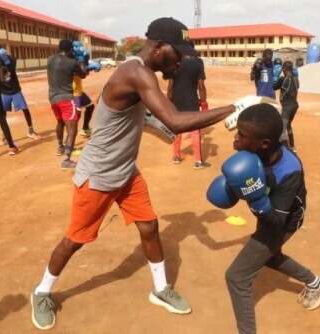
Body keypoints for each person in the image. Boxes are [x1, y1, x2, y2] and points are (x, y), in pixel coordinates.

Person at [30, 17, 262, 330]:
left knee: (150, 227)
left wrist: (150, 125)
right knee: (75, 239)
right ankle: (42, 291)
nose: (179, 60)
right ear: (159, 46)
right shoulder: (136, 72)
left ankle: (160, 288)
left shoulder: (140, 73)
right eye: (177, 52)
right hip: (98, 175)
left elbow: (139, 114)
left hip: (125, 172)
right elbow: (177, 121)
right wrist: (234, 107)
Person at [207, 103, 320, 334]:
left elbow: (276, 225)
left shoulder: (289, 171)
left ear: (264, 143)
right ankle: (317, 284)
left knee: (237, 277)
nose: (235, 140)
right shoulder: (258, 151)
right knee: (269, 257)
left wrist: (255, 198)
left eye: (242, 136)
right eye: (237, 132)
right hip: (270, 209)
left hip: (284, 220)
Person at [167, 45, 210, 169]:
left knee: (178, 131)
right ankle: (198, 161)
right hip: (192, 102)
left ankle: (176, 156)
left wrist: (168, 103)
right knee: (195, 132)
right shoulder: (197, 64)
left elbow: (170, 87)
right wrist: (204, 104)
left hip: (176, 103)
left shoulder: (174, 64)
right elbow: (201, 86)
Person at [47, 39, 87, 170]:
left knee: (60, 122)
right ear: (70, 50)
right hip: (66, 98)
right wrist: (81, 58)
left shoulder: (50, 59)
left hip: (53, 98)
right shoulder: (72, 63)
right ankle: (67, 160)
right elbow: (83, 74)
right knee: (72, 128)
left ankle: (60, 147)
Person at [0, 44, 42, 144]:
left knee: (25, 109)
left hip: (15, 90)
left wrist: (4, 56)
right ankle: (4, 137)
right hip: (3, 92)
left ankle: (31, 131)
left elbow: (13, 58)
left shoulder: (10, 60)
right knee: (2, 114)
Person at [273, 60, 299, 151]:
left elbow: (274, 87)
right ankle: (292, 146)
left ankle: (286, 150)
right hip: (294, 106)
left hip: (287, 108)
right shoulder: (296, 80)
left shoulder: (283, 79)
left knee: (282, 129)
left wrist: (276, 76)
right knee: (288, 125)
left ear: (283, 69)